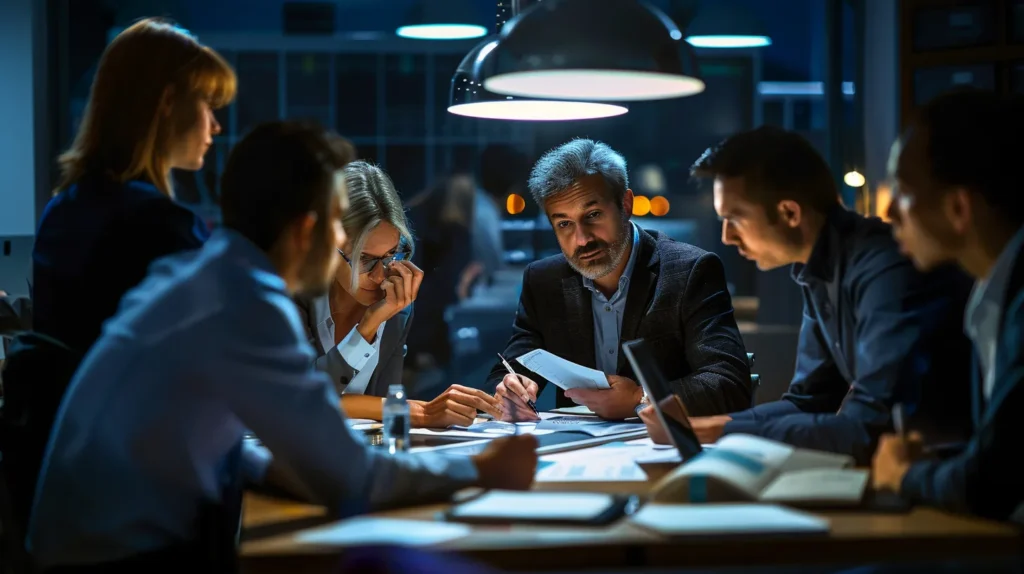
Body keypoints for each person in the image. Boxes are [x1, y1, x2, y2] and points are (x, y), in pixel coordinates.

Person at [27, 121, 539, 570]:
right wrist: (481, 467)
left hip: (85, 543)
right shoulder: (250, 304)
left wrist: (279, 467)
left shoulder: (202, 276)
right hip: (118, 560)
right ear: (309, 228)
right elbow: (352, 476)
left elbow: (213, 435)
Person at [640, 126, 973, 464]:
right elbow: (809, 401)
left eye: (735, 218)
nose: (727, 236)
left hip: (949, 476)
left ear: (789, 213)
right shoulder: (817, 270)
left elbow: (868, 427)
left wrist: (711, 432)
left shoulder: (886, 270)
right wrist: (707, 424)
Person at [489, 138, 751, 421]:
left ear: (626, 205)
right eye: (564, 223)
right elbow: (508, 369)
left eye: (593, 215)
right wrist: (509, 388)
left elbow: (730, 384)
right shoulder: (544, 280)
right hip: (573, 452)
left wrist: (642, 397)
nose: (582, 239)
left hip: (665, 446)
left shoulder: (691, 271)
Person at [31, 18, 236, 354]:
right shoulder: (159, 227)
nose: (215, 126)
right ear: (168, 102)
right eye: (208, 105)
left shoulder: (62, 210)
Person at [872, 89, 1024, 523]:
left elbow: (986, 487)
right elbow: (1002, 456)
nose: (888, 214)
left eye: (901, 192)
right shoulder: (995, 293)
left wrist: (903, 475)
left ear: (959, 208)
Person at [295, 162, 501, 426]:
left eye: (391, 255)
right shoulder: (293, 295)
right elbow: (302, 396)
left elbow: (379, 402)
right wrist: (369, 326)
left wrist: (411, 410)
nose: (381, 275)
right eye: (365, 258)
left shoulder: (396, 303)